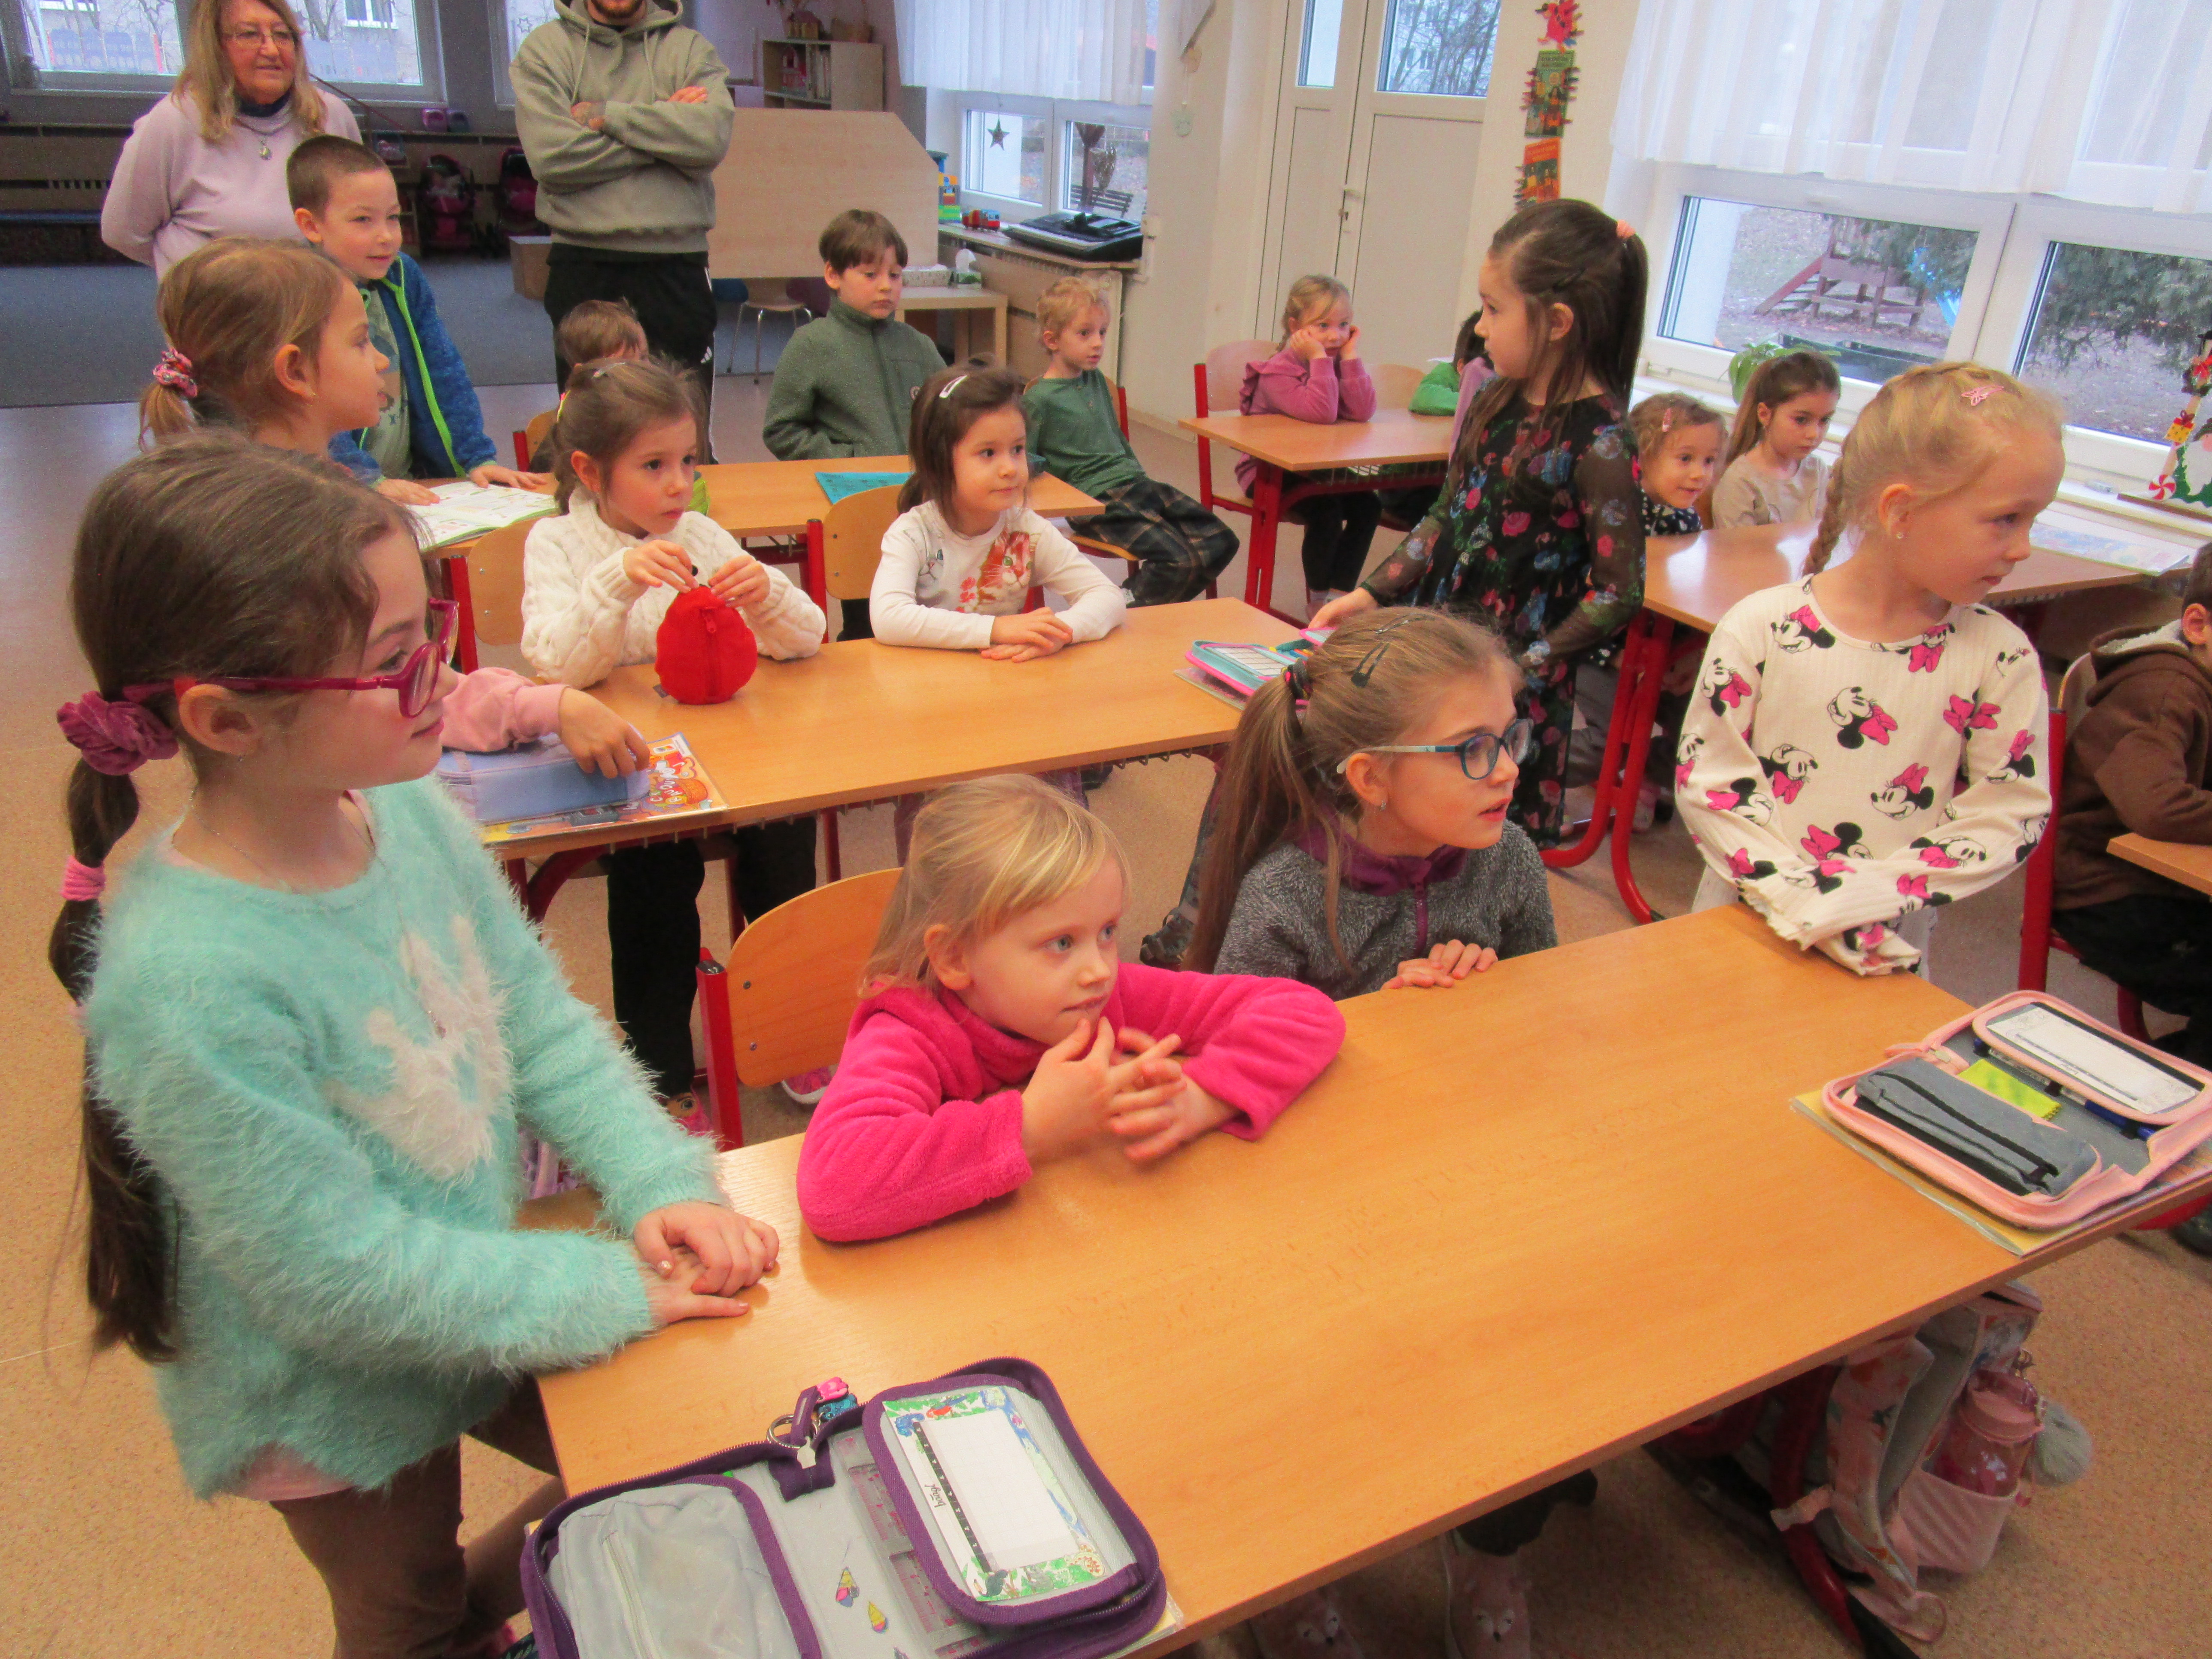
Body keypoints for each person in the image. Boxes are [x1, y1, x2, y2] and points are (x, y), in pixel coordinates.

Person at [54, 434, 778, 1657]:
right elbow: (338, 1277)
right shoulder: (185, 982)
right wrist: (608, 1291)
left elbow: (534, 1022)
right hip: (331, 1397)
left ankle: (514, 1591)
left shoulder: (400, 805)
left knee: (685, 1433)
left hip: (472, 1278)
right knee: (408, 1609)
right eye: (396, 661)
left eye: (430, 633)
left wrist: (657, 1178)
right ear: (228, 719)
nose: (444, 676)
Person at [139, 236, 648, 780]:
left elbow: (410, 685)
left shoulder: (304, 504)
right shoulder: (297, 536)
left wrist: (544, 706)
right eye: (362, 342)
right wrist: (540, 706)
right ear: (296, 371)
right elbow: (397, 697)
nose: (383, 360)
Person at [792, 776, 1345, 1242]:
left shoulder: (1106, 997)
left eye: (1106, 932)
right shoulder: (910, 1031)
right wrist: (1030, 1126)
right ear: (955, 957)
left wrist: (1206, 1096)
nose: (1099, 968)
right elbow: (834, 1187)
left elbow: (1302, 1011)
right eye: (1061, 943)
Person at [1676, 363, 2058, 976]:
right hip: (1746, 924)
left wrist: (1870, 895)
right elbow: (1710, 778)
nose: (2023, 548)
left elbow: (2009, 808)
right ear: (1901, 511)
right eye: (2007, 519)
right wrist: (1795, 894)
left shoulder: (2000, 656)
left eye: (2032, 521)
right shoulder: (1761, 626)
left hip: (1883, 942)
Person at [522, 358, 826, 1115]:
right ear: (589, 471)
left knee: (786, 832)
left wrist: (769, 593)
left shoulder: (701, 533)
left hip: (731, 751)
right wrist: (618, 579)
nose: (678, 484)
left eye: (688, 462)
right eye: (653, 466)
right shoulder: (556, 543)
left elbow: (806, 641)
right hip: (633, 760)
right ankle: (657, 1065)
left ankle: (788, 1024)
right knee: (655, 877)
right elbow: (560, 666)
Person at [1313, 200, 1647, 852]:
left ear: (1557, 323)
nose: (1481, 328)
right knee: (1407, 812)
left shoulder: (1603, 441)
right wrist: (1372, 593)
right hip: (1438, 650)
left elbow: (1618, 591)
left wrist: (1523, 668)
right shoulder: (1495, 397)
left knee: (1481, 845)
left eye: (1494, 309)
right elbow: (1446, 514)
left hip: (1511, 692)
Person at [1189, 609, 1556, 996]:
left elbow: (1545, 1002)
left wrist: (1487, 985)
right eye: (1473, 748)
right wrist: (1385, 1014)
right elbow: (1245, 1031)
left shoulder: (1510, 858)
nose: (1508, 770)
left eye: (1509, 737)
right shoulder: (1284, 897)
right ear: (1371, 779)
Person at [511, 0, 734, 428]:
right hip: (584, 262)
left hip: (676, 266)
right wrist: (666, 132)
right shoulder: (546, 50)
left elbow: (709, 140)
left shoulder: (690, 51)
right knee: (593, 433)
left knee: (683, 432)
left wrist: (606, 115)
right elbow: (553, 158)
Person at [287, 135, 545, 501]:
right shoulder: (299, 295)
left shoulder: (404, 275)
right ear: (312, 225)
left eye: (393, 217)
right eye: (363, 220)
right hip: (338, 493)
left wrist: (474, 457)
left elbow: (443, 369)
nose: (386, 236)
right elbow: (307, 407)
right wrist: (364, 479)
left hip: (412, 481)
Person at [2053, 541, 2212, 1071]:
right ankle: (2176, 1094)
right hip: (2107, 893)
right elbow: (2157, 808)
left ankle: (2181, 1076)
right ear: (2197, 625)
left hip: (2169, 883)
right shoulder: (2162, 692)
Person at [763, 209, 948, 641]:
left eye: (895, 275)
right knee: (868, 623)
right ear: (833, 275)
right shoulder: (811, 345)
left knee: (931, 609)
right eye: (870, 274)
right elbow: (782, 429)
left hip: (924, 504)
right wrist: (848, 460)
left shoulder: (918, 345)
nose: (886, 286)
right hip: (856, 506)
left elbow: (952, 413)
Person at [872, 361, 1127, 657]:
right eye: (988, 453)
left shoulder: (1027, 530)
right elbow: (889, 618)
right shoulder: (913, 534)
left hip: (1000, 676)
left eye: (1017, 449)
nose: (1010, 468)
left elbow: (1107, 595)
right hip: (926, 677)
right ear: (939, 461)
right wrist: (995, 629)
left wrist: (1057, 634)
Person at [102, 0, 360, 277]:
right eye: (249, 35)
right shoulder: (173, 122)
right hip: (216, 300)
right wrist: (196, 275)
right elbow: (123, 232)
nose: (272, 50)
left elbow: (364, 214)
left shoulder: (330, 115)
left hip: (321, 296)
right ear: (215, 47)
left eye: (282, 35)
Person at [1565, 392, 1726, 831]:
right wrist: (1616, 655)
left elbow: (1684, 598)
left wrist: (1689, 656)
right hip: (1600, 652)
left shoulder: (1686, 519)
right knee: (1608, 746)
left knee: (1706, 732)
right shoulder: (1617, 513)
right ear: (1640, 458)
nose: (1700, 474)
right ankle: (1529, 777)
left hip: (1657, 655)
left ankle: (1642, 776)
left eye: (1709, 461)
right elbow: (1583, 598)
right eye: (1686, 458)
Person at [1023, 275, 1237, 605]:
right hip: (1095, 499)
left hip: (1134, 485)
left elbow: (1116, 437)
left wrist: (1140, 479)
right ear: (1052, 340)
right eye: (1085, 333)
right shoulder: (1039, 399)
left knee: (1221, 541)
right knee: (1179, 559)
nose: (1098, 343)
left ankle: (1147, 605)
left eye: (1102, 332)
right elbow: (1025, 460)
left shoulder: (1096, 379)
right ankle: (1124, 602)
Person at [1240, 274, 1380, 619]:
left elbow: (1362, 411)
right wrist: (1319, 358)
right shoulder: (1277, 372)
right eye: (1323, 326)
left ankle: (1339, 595)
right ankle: (1318, 597)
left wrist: (1350, 356)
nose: (1335, 336)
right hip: (1269, 473)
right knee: (1326, 509)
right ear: (1295, 328)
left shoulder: (1337, 361)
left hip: (1318, 468)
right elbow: (1323, 413)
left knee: (1368, 505)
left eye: (1344, 325)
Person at [1711, 350, 1841, 528]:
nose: (1814, 434)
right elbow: (1735, 545)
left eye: (1824, 420)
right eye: (1801, 420)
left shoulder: (1817, 470)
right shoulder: (1741, 481)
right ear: (1765, 414)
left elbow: (1820, 533)